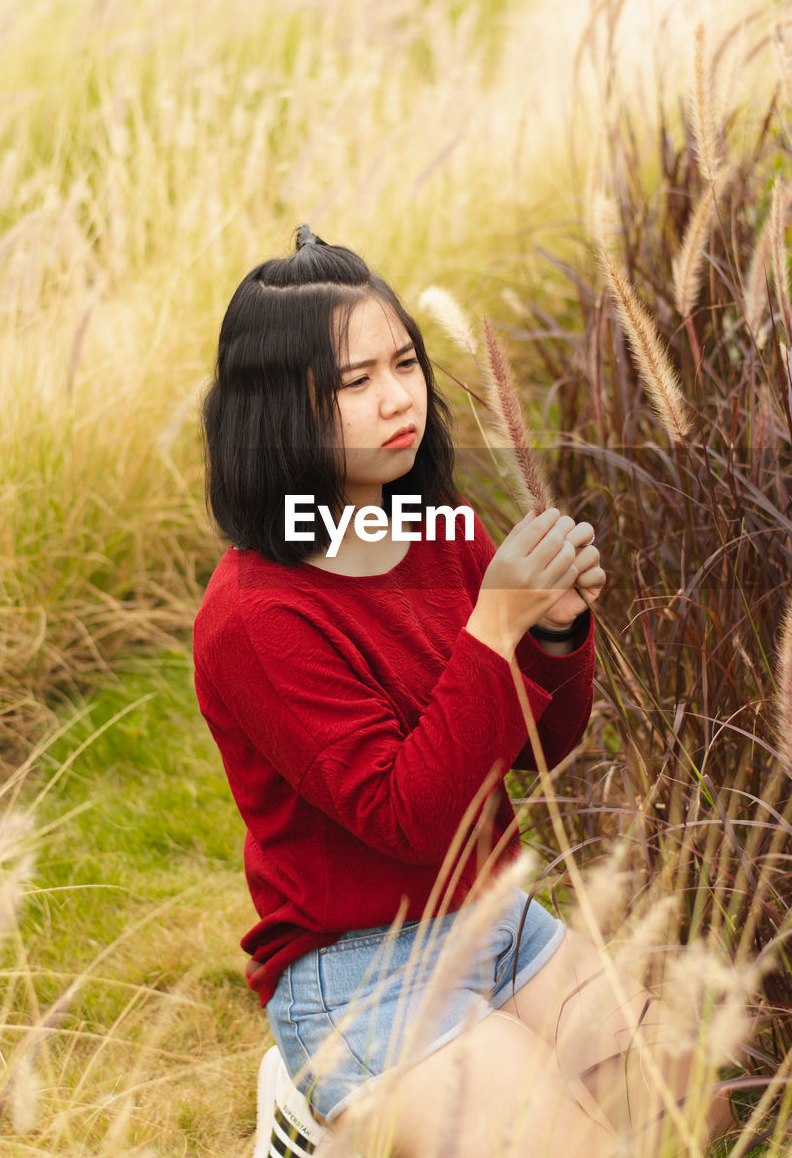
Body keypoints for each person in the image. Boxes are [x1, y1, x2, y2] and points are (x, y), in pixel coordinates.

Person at [193, 228, 727, 1158]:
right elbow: (408, 818)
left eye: (404, 361)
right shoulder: (254, 616)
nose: (399, 397)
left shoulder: (437, 529)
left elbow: (531, 749)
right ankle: (314, 1109)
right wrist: (492, 627)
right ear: (279, 409)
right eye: (354, 382)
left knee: (697, 1117)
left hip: (495, 920)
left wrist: (553, 633)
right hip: (360, 969)